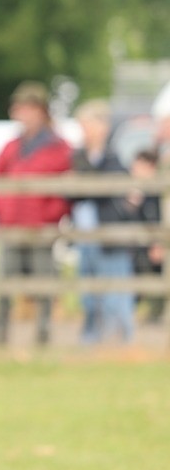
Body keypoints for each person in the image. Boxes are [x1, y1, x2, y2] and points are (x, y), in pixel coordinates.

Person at [0, 82, 71, 346]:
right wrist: (4, 211)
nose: (22, 114)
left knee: (44, 285)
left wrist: (50, 214)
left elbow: (65, 189)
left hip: (41, 227)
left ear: (41, 111)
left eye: (28, 108)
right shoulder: (11, 147)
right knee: (4, 284)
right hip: (12, 226)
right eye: (19, 109)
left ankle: (43, 336)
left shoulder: (59, 148)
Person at [69, 100, 135, 344]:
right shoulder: (78, 155)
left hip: (110, 233)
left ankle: (120, 341)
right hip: (85, 233)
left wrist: (85, 185)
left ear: (102, 126)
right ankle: (92, 339)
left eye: (87, 125)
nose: (83, 130)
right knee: (88, 292)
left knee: (115, 292)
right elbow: (72, 192)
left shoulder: (115, 155)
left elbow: (111, 189)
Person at [125, 149, 164, 324]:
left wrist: (158, 243)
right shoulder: (136, 188)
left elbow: (157, 217)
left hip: (151, 240)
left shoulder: (156, 190)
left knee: (153, 275)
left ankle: (154, 315)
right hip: (138, 241)